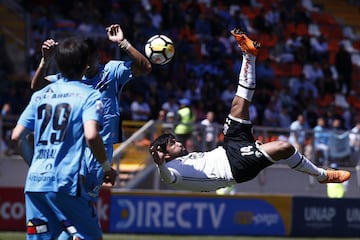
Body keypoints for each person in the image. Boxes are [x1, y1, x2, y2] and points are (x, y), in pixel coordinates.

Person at [149, 29, 351, 192]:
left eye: (175, 140)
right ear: (164, 155)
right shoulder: (170, 170)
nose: (179, 142)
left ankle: (249, 54)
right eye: (172, 144)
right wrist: (159, 165)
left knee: (238, 105)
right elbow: (168, 178)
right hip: (236, 167)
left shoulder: (185, 159)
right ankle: (322, 175)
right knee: (283, 147)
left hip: (229, 148)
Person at [30, 24, 152, 204]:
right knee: (71, 199)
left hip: (101, 149)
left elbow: (145, 67)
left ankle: (74, 230)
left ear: (98, 57)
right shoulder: (70, 77)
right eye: (83, 59)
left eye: (90, 59)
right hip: (74, 147)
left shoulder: (111, 71)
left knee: (86, 201)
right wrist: (45, 61)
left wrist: (122, 43)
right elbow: (36, 87)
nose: (87, 64)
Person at [11, 37, 117, 239]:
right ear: (84, 64)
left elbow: (16, 137)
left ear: (57, 63)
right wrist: (106, 167)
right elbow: (92, 135)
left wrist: (34, 163)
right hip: (65, 183)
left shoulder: (40, 96)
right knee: (88, 236)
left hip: (34, 184)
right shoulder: (89, 95)